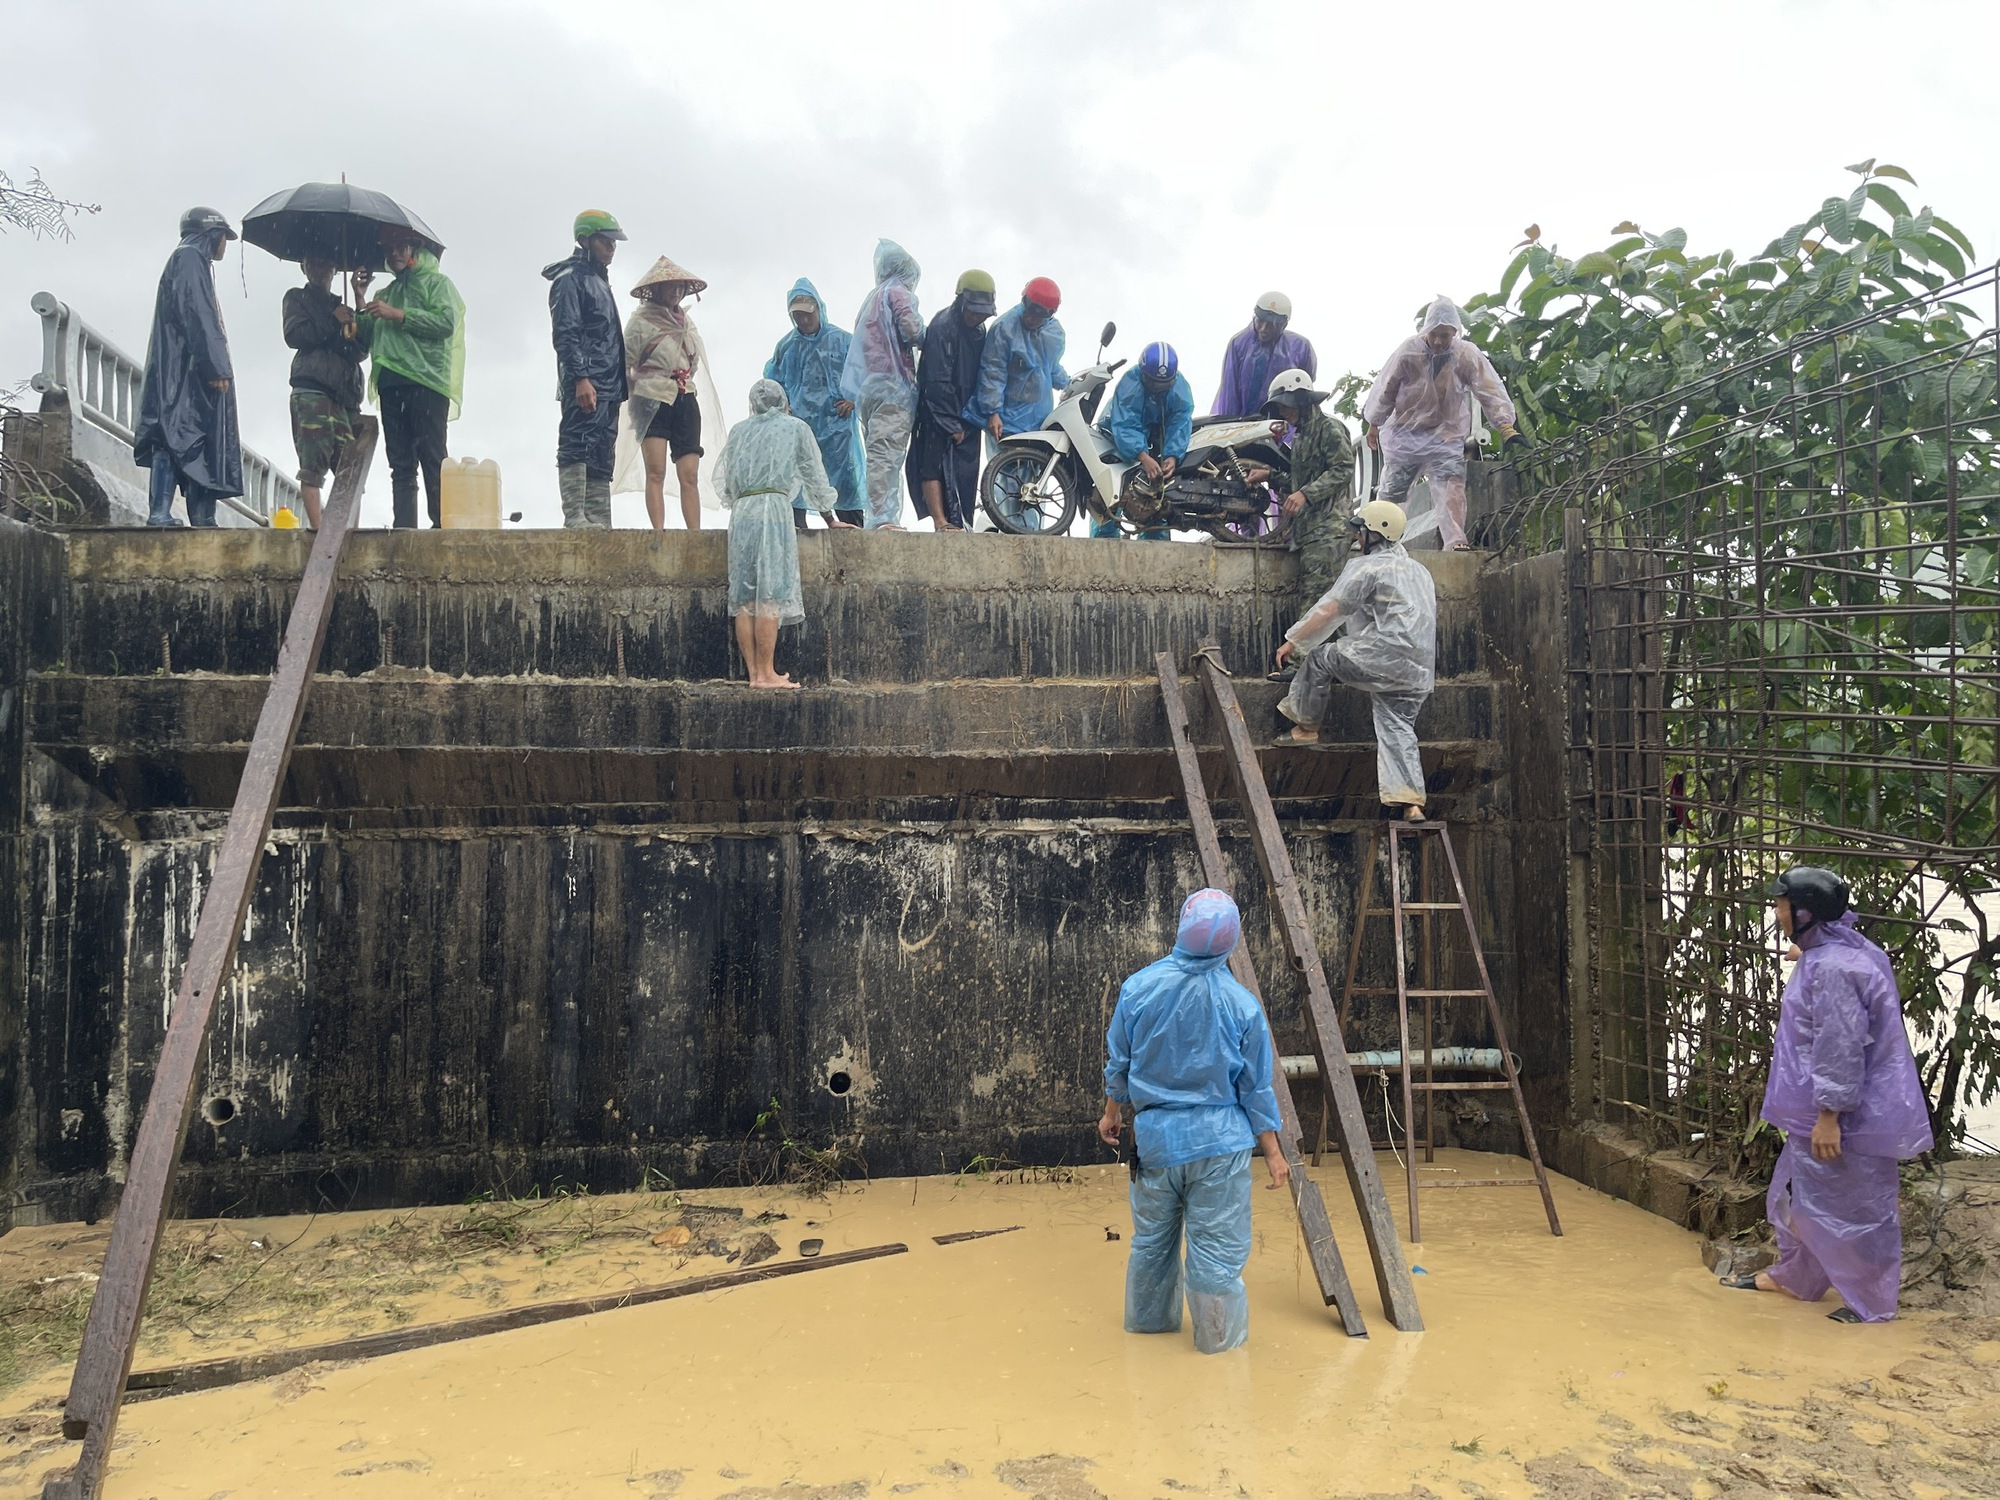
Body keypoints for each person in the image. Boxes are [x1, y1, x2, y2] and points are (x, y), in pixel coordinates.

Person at [1720, 867, 1934, 1323]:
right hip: (1839, 1106)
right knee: (1814, 1199)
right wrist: (1808, 953)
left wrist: (1830, 1115)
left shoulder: (1833, 969)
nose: (1775, 913)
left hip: (1845, 1112)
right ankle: (1798, 1279)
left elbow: (1838, 1045)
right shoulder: (1845, 951)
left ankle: (1872, 1302)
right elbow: (1836, 968)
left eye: (1780, 905)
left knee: (1857, 1207)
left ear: (1804, 913)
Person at [1098, 888, 1289, 1355]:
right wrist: (1274, 1153)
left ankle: (1146, 1338)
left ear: (1182, 926)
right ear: (1232, 941)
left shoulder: (1139, 988)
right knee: (1217, 1258)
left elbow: (1119, 1062)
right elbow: (1256, 1088)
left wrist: (1111, 1114)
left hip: (1156, 1144)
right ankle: (1218, 1349)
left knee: (1151, 1246)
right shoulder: (1242, 1005)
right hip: (1220, 1149)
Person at [1273, 500, 1435, 818]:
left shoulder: (1368, 567)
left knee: (1321, 657)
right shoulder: (1419, 571)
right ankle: (1411, 802)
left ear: (1374, 533)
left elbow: (1332, 609)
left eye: (1360, 531)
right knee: (1397, 725)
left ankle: (1306, 727)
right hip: (1417, 671)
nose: (1357, 538)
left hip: (1382, 657)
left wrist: (1294, 640)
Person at [716, 379, 859, 688]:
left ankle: (754, 673)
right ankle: (767, 673)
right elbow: (813, 473)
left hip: (742, 513)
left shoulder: (739, 431)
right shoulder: (794, 428)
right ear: (783, 401)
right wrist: (829, 517)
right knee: (769, 593)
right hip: (773, 508)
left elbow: (726, 481)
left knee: (743, 598)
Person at [1361, 296, 1521, 552]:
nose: (1438, 341)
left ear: (1454, 332)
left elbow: (1488, 388)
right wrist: (1374, 422)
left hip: (1444, 435)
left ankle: (1455, 541)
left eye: (1444, 335)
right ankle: (1378, 541)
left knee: (1451, 489)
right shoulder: (1409, 351)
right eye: (1434, 334)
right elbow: (1387, 388)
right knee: (1393, 492)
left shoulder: (1465, 355)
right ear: (1426, 330)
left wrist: (1505, 426)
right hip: (1405, 435)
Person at [133, 206, 242, 528]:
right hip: (186, 370)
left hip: (185, 366)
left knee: (192, 435)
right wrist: (216, 366)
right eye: (225, 238)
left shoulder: (192, 260)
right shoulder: (191, 259)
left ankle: (202, 516)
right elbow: (198, 315)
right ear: (215, 234)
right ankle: (162, 513)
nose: (226, 245)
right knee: (176, 434)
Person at [361, 231, 464, 529]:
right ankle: (404, 527)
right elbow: (366, 338)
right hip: (392, 384)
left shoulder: (438, 284)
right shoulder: (385, 294)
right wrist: (360, 296)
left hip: (428, 383)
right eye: (388, 247)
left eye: (400, 247)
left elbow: (445, 323)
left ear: (414, 249)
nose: (394, 253)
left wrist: (398, 314)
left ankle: (441, 526)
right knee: (401, 463)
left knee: (433, 457)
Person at [1248, 368, 1355, 646]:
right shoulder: (1302, 436)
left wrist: (1306, 494)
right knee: (1327, 605)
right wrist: (1270, 475)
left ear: (1300, 400)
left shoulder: (1329, 428)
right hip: (1310, 532)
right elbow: (1300, 481)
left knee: (1315, 603)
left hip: (1329, 529)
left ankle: (1300, 668)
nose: (1283, 412)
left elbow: (1343, 469)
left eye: (1285, 405)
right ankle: (1338, 667)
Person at [545, 210, 629, 528]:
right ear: (585, 241)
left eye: (613, 241)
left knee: (601, 449)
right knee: (576, 441)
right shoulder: (570, 279)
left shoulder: (599, 281)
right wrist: (580, 377)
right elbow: (565, 332)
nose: (611, 247)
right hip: (587, 378)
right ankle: (575, 515)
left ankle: (597, 515)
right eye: (605, 241)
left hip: (609, 382)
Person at [764, 278, 865, 529]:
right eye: (798, 315)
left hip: (837, 428)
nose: (804, 320)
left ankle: (856, 535)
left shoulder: (843, 341)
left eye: (808, 314)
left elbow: (865, 371)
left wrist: (854, 399)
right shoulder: (787, 347)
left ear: (819, 308)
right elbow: (772, 381)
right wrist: (783, 407)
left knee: (844, 485)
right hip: (800, 427)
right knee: (798, 482)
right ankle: (797, 539)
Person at [839, 239, 926, 529]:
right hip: (894, 385)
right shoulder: (898, 293)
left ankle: (878, 515)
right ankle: (883, 517)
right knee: (886, 454)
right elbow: (912, 329)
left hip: (869, 389)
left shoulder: (870, 300)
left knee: (876, 450)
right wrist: (929, 337)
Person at [622, 254, 709, 531]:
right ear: (657, 289)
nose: (676, 292)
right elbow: (624, 362)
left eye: (680, 287)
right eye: (670, 286)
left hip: (684, 395)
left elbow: (694, 361)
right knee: (656, 470)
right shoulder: (640, 323)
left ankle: (694, 533)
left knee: (689, 474)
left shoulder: (687, 323)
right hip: (650, 397)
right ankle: (658, 531)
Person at [281, 256, 367, 527]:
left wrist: (357, 300)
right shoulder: (296, 298)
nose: (320, 270)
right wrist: (332, 320)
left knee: (351, 472)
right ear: (304, 267)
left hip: (344, 399)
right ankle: (319, 531)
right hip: (312, 392)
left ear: (334, 268)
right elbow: (296, 335)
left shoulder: (343, 308)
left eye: (325, 263)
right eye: (314, 263)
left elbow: (360, 350)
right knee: (312, 467)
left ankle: (347, 532)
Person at [908, 270, 997, 531]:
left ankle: (962, 521)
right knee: (932, 465)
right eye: (973, 311)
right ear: (961, 302)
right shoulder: (942, 327)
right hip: (938, 411)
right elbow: (936, 381)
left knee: (965, 473)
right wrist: (949, 422)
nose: (977, 317)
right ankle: (940, 521)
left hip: (968, 413)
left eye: (982, 313)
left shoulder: (979, 330)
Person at [1091, 341, 1192, 541]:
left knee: (1156, 491)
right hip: (1114, 436)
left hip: (1153, 439)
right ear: (1144, 374)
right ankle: (1106, 540)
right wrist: (1142, 456)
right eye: (1153, 383)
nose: (1158, 389)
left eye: (1164, 385)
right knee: (1112, 488)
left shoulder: (1179, 388)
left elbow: (1180, 423)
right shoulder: (1131, 383)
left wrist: (1173, 455)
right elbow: (1126, 424)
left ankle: (1155, 542)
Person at [969, 277, 1067, 442]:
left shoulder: (1053, 332)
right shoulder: (1005, 329)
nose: (1031, 318)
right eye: (1030, 310)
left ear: (1049, 315)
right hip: (1008, 420)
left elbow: (1049, 367)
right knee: (1004, 466)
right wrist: (993, 412)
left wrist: (1069, 384)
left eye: (1039, 315)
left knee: (1042, 467)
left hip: (1040, 418)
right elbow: (993, 372)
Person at [1210, 291, 1316, 418]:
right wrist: (1229, 424)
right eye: (1260, 321)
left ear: (1284, 325)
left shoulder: (1300, 347)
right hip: (1242, 422)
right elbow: (1230, 392)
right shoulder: (1238, 344)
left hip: (1284, 425)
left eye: (1271, 325)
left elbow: (1306, 386)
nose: (1263, 329)